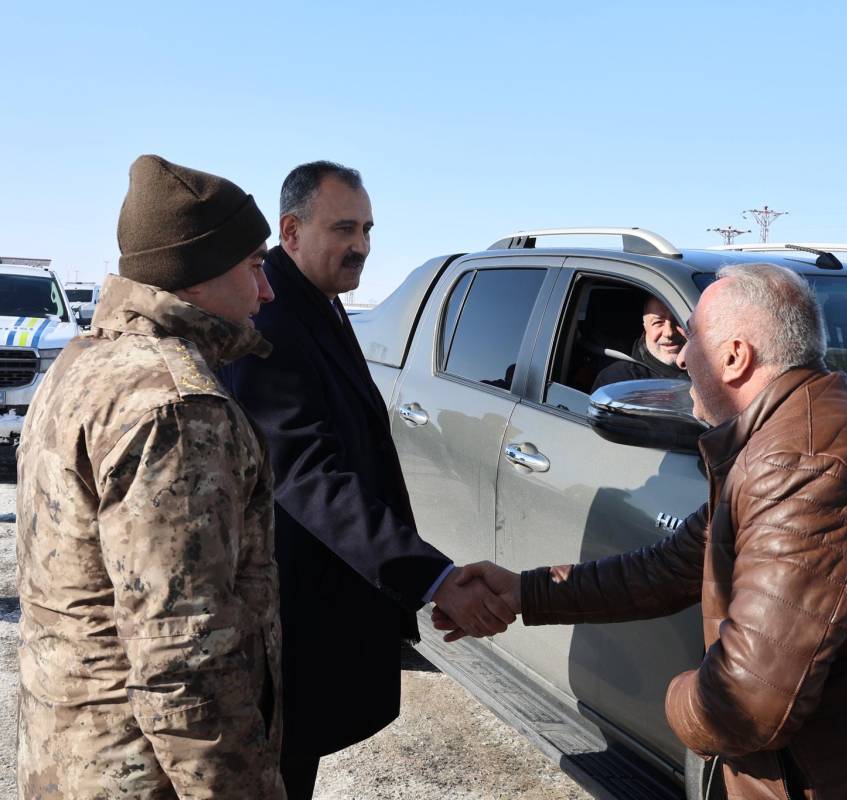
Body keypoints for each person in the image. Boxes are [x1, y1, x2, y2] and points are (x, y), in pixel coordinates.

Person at [440, 263, 847, 799]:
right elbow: (672, 565)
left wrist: (677, 697)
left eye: (693, 337)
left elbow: (744, 704)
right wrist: (524, 591)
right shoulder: (784, 434)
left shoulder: (803, 464)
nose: (681, 354)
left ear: (736, 356)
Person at [222, 160, 515, 799]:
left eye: (368, 230)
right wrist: (433, 578)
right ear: (291, 231)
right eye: (345, 229)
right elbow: (308, 476)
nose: (362, 246)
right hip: (289, 615)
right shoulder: (273, 323)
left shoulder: (315, 302)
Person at [17, 155, 284, 797]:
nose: (267, 291)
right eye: (254, 267)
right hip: (143, 776)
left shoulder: (83, 365)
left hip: (70, 755)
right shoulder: (178, 408)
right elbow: (185, 656)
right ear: (194, 276)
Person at [590, 294, 688, 390]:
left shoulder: (702, 368)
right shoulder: (617, 381)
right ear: (645, 327)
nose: (669, 333)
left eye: (678, 321)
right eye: (658, 322)